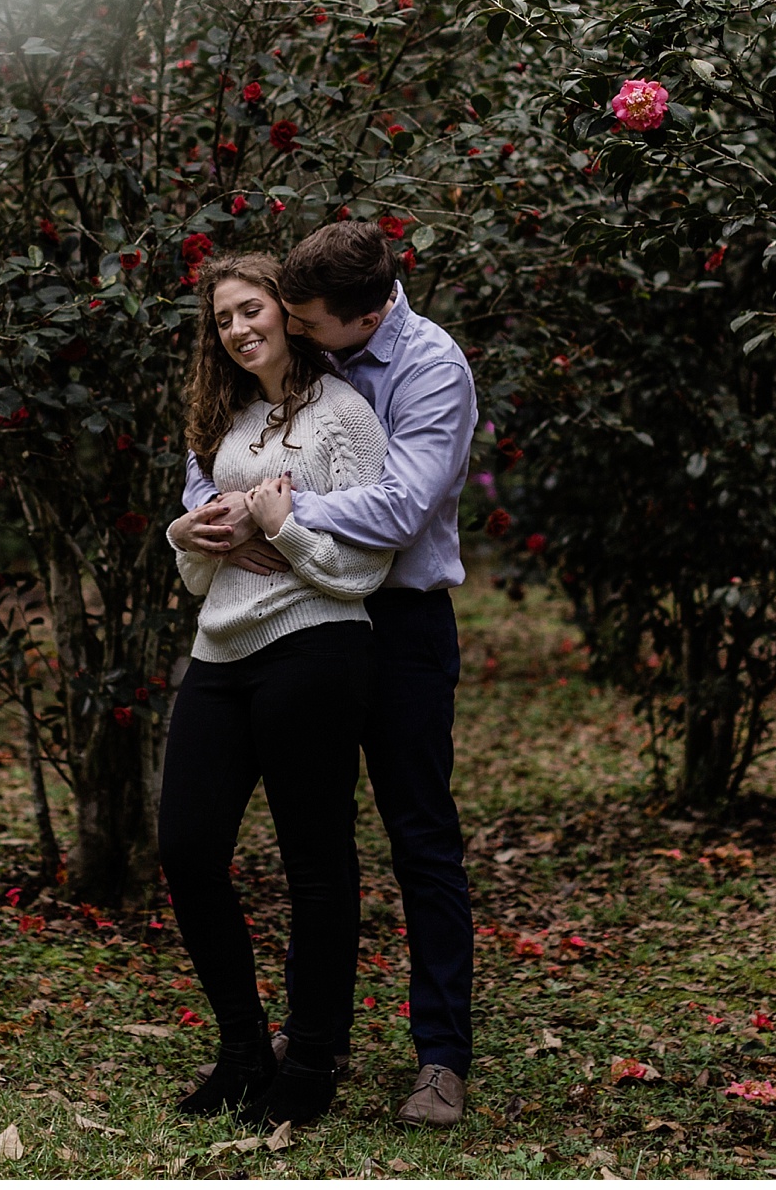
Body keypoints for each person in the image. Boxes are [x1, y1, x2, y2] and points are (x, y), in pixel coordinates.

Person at [179, 220, 478, 1129]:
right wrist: (216, 512)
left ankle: (440, 1058)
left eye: (308, 320)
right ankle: (322, 1038)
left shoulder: (431, 369)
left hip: (401, 618)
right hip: (299, 621)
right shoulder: (315, 347)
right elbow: (220, 450)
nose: (289, 331)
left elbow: (398, 505)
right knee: (320, 832)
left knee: (418, 832)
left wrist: (276, 513)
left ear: (363, 315)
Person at [159, 251, 393, 1129]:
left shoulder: (344, 417)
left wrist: (285, 528)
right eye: (223, 319)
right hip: (220, 651)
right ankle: (244, 1051)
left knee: (316, 865)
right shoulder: (225, 424)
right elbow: (196, 575)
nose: (239, 329)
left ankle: (311, 1064)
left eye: (250, 309)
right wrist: (188, 533)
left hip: (316, 648)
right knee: (187, 850)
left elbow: (364, 568)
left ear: (287, 315)